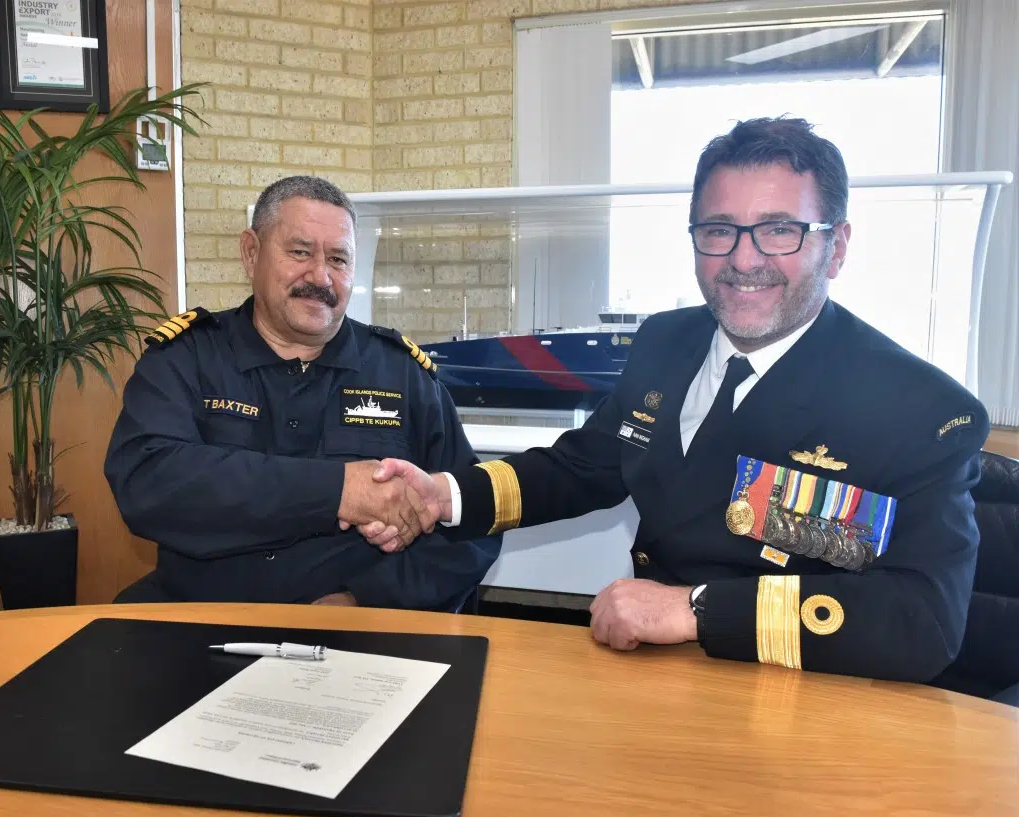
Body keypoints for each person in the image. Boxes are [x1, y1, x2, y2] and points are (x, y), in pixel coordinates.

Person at [363, 118, 989, 683]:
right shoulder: (666, 341)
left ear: (838, 246)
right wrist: (445, 495)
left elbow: (924, 619)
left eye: (780, 231)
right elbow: (585, 467)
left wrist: (696, 608)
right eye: (719, 230)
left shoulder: (918, 410)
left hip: (809, 693)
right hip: (658, 678)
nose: (744, 259)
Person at [104, 175, 501, 608]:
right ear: (251, 253)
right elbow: (147, 482)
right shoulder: (187, 358)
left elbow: (473, 520)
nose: (321, 276)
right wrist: (339, 491)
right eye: (300, 252)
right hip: (203, 618)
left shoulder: (402, 374)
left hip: (360, 633)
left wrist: (367, 600)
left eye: (338, 259)